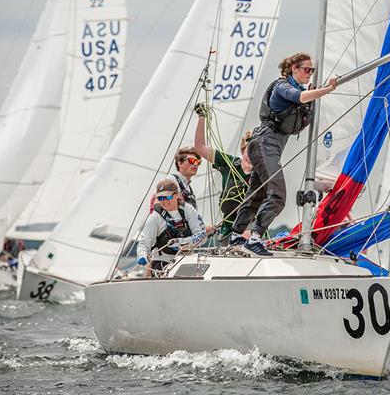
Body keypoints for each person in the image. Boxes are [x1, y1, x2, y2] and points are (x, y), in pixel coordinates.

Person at [229, 52, 338, 256]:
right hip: (264, 143)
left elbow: (304, 99)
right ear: (293, 69)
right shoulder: (282, 86)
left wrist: (316, 93)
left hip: (268, 147)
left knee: (257, 195)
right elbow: (300, 97)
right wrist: (328, 89)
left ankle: (235, 236)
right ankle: (254, 238)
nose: (310, 73)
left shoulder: (299, 90)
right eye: (307, 69)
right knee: (278, 195)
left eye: (312, 70)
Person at [193, 103, 253, 246]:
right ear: (243, 149)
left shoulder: (263, 173)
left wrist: (254, 231)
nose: (251, 156)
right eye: (249, 151)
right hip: (228, 229)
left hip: (251, 229)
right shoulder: (229, 163)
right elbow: (200, 148)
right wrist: (202, 117)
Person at [137, 178, 206, 276]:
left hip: (186, 261)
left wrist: (182, 242)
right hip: (162, 264)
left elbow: (202, 236)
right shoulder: (155, 217)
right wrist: (142, 255)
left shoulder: (188, 210)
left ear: (177, 195)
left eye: (167, 197)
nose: (164, 201)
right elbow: (144, 243)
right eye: (160, 198)